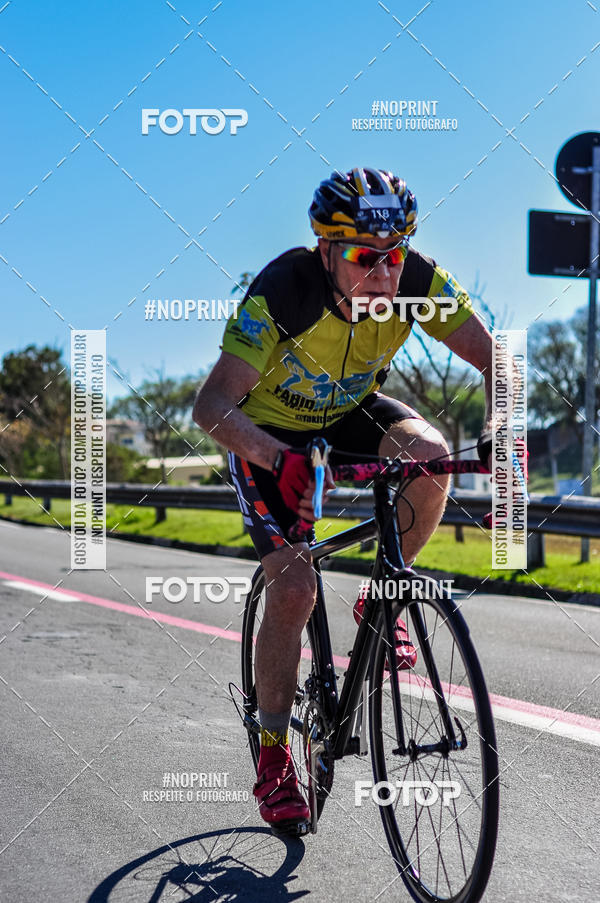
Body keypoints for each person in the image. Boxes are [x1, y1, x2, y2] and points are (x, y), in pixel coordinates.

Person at [193, 166, 494, 833]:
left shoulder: (419, 283)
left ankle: (380, 599)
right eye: (364, 257)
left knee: (432, 455)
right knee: (294, 589)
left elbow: (499, 362)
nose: (384, 274)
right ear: (326, 251)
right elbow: (211, 405)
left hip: (350, 413)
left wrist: (500, 427)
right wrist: (277, 458)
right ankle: (274, 751)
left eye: (396, 255)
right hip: (266, 433)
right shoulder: (284, 290)